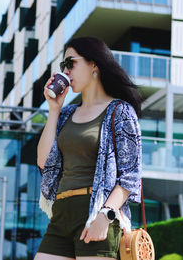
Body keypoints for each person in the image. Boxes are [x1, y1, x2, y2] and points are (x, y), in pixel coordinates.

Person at [34, 37, 143, 260]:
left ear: (94, 64)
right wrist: (54, 109)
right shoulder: (65, 115)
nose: (65, 72)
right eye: (63, 66)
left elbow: (131, 176)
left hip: (95, 211)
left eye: (70, 63)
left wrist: (105, 215)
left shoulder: (120, 112)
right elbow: (44, 162)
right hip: (62, 212)